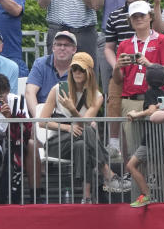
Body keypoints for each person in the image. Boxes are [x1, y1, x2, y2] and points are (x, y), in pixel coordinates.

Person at [39, 51, 127, 201]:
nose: (77, 72)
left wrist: (72, 109)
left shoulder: (97, 96)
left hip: (79, 141)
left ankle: (85, 198)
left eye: (81, 69)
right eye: (74, 69)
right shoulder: (58, 89)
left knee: (82, 144)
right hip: (58, 142)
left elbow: (84, 123)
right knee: (87, 131)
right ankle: (107, 172)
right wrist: (67, 128)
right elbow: (42, 122)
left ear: (89, 72)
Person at [112, 0, 164, 158]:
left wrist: (149, 65)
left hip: (154, 98)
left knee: (156, 145)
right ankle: (136, 181)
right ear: (130, 21)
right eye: (135, 16)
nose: (139, 18)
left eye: (142, 15)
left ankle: (155, 180)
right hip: (130, 99)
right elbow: (118, 80)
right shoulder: (125, 45)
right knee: (134, 149)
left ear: (150, 16)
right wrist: (117, 66)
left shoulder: (162, 40)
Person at [0, 73, 43, 204]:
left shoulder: (18, 101)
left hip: (17, 143)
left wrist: (10, 117)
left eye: (0, 96)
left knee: (32, 144)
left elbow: (25, 133)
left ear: (8, 91)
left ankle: (36, 197)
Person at [103, 0, 149, 154]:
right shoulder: (115, 15)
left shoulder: (150, 11)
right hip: (122, 68)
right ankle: (114, 142)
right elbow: (108, 47)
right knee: (114, 94)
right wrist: (117, 65)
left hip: (146, 69)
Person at [25, 30, 77, 118]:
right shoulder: (40, 63)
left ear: (74, 49)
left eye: (66, 45)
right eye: (59, 44)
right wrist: (39, 119)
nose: (62, 48)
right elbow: (29, 93)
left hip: (69, 114)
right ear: (53, 48)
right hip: (41, 111)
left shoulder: (80, 67)